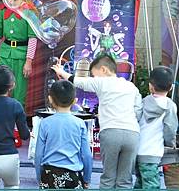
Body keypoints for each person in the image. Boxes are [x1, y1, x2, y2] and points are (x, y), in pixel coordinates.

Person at [52, 54, 142, 189]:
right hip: (132, 134)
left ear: (104, 70)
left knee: (108, 177)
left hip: (111, 133)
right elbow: (138, 110)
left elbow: (78, 81)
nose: (93, 78)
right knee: (125, 179)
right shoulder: (131, 87)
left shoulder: (102, 82)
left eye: (94, 75)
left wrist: (61, 72)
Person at [34, 80, 92, 189]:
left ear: (50, 99)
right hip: (73, 175)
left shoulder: (45, 123)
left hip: (49, 175)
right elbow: (87, 155)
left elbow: (38, 155)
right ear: (75, 101)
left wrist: (39, 177)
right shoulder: (80, 123)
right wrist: (87, 178)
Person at [136, 66, 178, 189]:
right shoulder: (169, 105)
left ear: (150, 86)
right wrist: (171, 143)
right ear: (171, 87)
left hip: (137, 150)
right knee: (152, 185)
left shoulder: (143, 102)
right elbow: (170, 128)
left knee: (139, 183)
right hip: (152, 153)